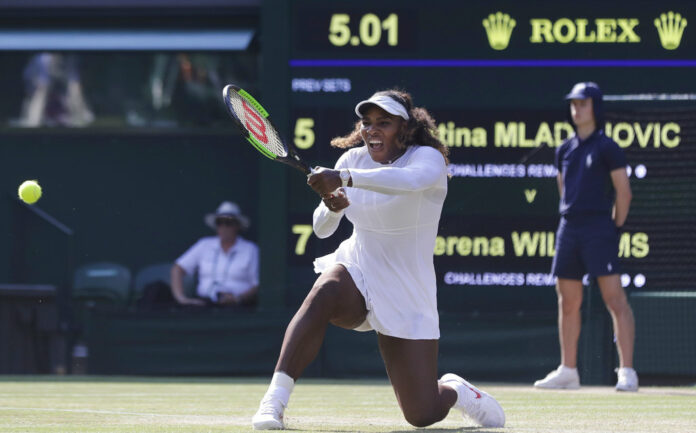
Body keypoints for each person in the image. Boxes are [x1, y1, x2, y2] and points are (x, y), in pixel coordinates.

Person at [251, 90, 505, 430]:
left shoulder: (427, 159)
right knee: (323, 293)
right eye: (367, 123)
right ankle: (274, 402)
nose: (372, 130)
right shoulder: (350, 161)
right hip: (359, 267)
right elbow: (322, 230)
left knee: (422, 414)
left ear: (405, 128)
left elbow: (407, 181)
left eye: (383, 123)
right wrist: (330, 206)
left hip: (407, 290)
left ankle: (457, 391)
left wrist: (344, 180)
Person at [534, 82, 638, 392]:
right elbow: (563, 189)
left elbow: (624, 192)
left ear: (595, 107)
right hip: (569, 227)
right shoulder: (564, 149)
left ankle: (627, 371)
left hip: (598, 228)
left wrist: (614, 228)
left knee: (614, 299)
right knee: (567, 301)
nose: (576, 109)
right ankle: (568, 370)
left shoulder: (607, 147)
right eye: (573, 104)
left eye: (582, 103)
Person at [170, 201, 259, 307]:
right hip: (204, 305)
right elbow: (178, 268)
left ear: (237, 225)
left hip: (237, 308)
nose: (224, 227)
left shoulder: (250, 249)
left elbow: (257, 285)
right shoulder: (204, 245)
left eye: (228, 223)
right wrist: (181, 299)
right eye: (219, 222)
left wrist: (238, 299)